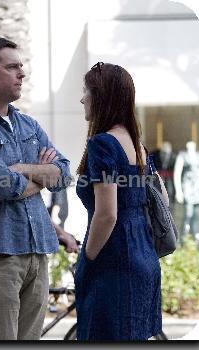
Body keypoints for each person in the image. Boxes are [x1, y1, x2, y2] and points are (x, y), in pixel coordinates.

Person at [0, 37, 73, 340]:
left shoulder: (29, 125)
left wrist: (23, 170)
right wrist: (40, 176)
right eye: (12, 67)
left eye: (22, 66)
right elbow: (3, 186)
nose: (22, 73)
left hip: (37, 250)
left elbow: (64, 174)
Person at [74, 62, 168, 340]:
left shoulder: (102, 143)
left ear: (101, 96)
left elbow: (107, 214)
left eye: (86, 91)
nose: (82, 98)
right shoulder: (138, 145)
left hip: (113, 261)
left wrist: (87, 259)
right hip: (145, 256)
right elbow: (160, 198)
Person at [173, 141, 199, 240]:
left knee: (196, 215)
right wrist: (179, 191)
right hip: (188, 188)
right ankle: (182, 238)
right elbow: (177, 173)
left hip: (198, 189)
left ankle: (194, 238)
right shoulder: (182, 156)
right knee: (188, 214)